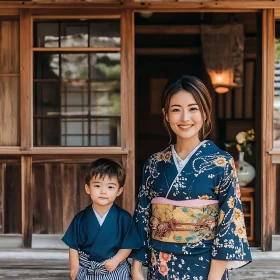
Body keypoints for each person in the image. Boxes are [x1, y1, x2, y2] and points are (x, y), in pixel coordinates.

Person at [130, 75, 252, 280]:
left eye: (193, 109)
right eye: (176, 109)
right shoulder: (154, 163)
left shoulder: (221, 162)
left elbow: (229, 223)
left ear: (205, 113)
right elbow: (142, 215)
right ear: (166, 115)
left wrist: (214, 278)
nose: (185, 118)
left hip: (205, 266)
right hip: (161, 265)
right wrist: (135, 268)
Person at [62, 158, 143, 280]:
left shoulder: (124, 218)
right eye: (97, 185)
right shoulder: (80, 218)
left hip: (115, 268)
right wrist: (74, 269)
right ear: (88, 188)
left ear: (119, 191)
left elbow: (128, 244)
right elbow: (73, 245)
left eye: (110, 187)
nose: (103, 191)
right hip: (87, 270)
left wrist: (116, 259)